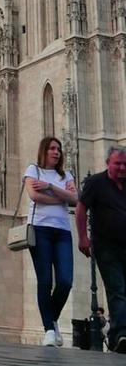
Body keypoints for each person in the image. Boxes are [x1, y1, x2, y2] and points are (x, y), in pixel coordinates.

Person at [24, 136, 77, 347]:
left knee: (65, 281)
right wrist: (61, 197)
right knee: (45, 282)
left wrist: (50, 187)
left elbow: (75, 199)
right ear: (44, 151)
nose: (56, 152)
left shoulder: (66, 175)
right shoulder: (33, 170)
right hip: (40, 229)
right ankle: (48, 330)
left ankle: (51, 318)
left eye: (59, 149)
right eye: (52, 148)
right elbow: (34, 196)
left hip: (62, 231)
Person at [76, 145, 126, 354]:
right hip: (106, 246)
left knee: (121, 291)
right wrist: (83, 238)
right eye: (118, 164)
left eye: (125, 164)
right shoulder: (95, 182)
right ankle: (123, 333)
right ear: (108, 163)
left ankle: (116, 337)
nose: (122, 168)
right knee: (117, 289)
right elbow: (81, 209)